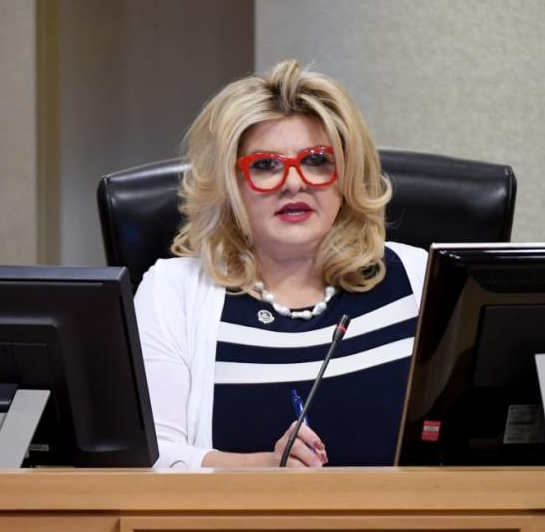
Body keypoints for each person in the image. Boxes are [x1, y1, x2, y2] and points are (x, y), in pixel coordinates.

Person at [134, 60, 427, 469]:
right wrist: (266, 470)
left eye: (318, 160)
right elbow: (148, 455)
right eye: (266, 165)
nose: (294, 182)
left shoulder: (420, 279)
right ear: (230, 185)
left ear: (346, 175)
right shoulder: (174, 291)